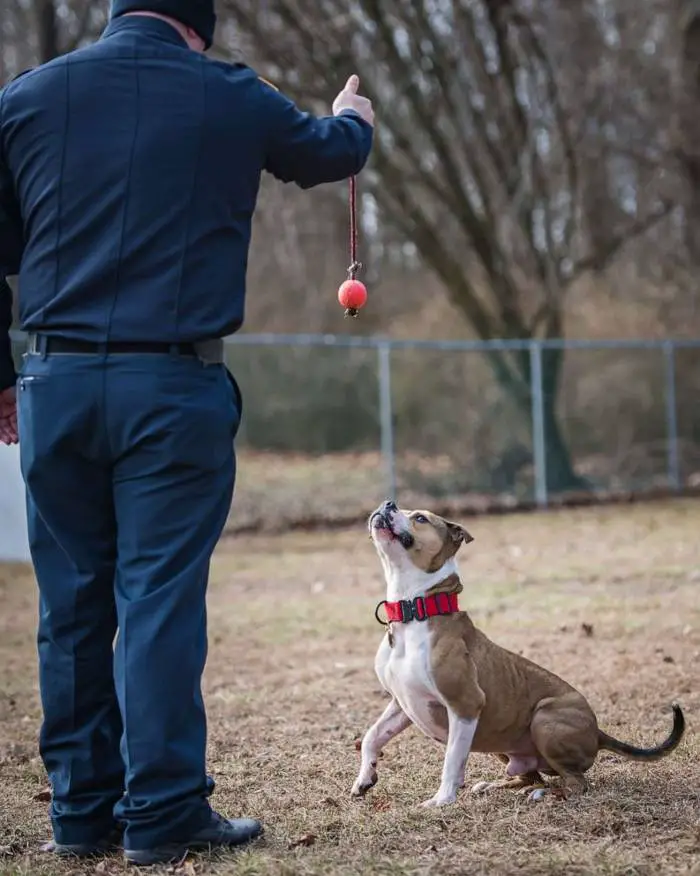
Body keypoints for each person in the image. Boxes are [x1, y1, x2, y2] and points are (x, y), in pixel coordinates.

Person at [0, 0, 374, 866]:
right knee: (157, 601)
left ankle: (82, 814)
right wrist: (353, 119)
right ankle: (164, 813)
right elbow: (326, 154)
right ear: (195, 24)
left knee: (70, 608)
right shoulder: (227, 91)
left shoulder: (26, 98)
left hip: (53, 382)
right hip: (170, 387)